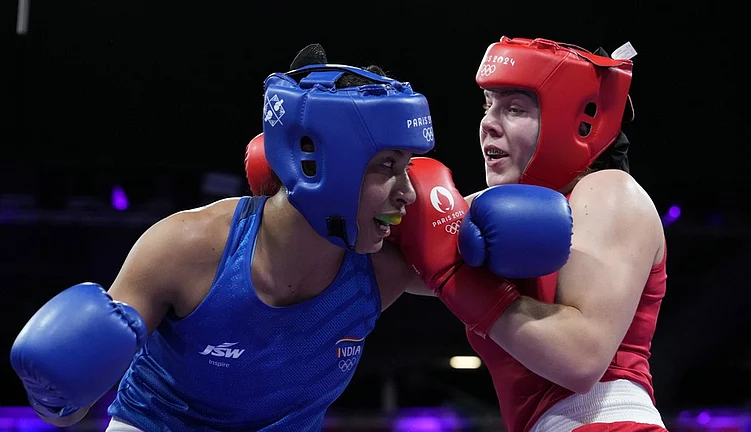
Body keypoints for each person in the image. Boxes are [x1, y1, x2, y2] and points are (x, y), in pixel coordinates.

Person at [10, 44, 438, 432]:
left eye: (408, 166)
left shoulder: (382, 271)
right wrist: (54, 395)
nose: (409, 192)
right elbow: (68, 406)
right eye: (387, 165)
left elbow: (478, 252)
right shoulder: (188, 248)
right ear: (319, 162)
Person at [448, 37, 668, 432]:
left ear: (574, 123)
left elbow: (581, 358)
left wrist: (454, 279)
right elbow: (385, 260)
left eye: (514, 109)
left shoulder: (609, 192)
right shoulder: (490, 215)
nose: (488, 123)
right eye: (488, 105)